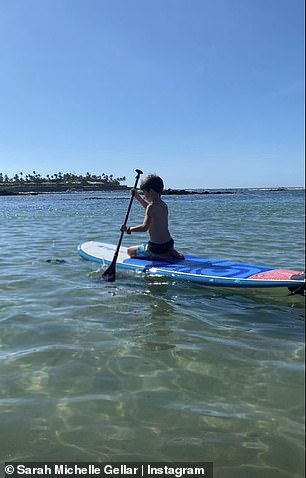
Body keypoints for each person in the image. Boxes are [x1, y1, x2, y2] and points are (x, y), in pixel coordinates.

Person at [121, 174, 184, 260]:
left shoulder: (151, 208)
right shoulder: (164, 205)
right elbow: (150, 210)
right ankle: (170, 252)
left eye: (144, 193)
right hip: (169, 244)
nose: (144, 196)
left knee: (130, 251)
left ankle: (159, 256)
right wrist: (137, 197)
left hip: (156, 247)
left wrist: (128, 229)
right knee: (166, 246)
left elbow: (144, 228)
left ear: (150, 191)